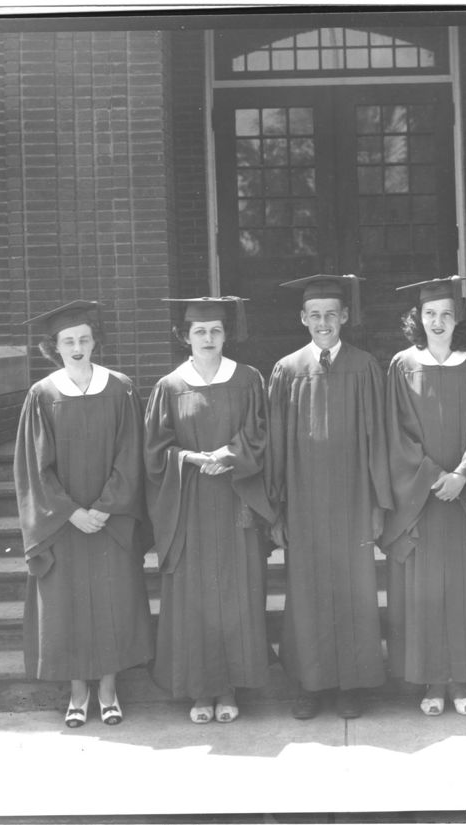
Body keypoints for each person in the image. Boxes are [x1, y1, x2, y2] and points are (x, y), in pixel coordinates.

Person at [14, 300, 153, 728]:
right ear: (53, 347)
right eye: (68, 341)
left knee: (112, 600)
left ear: (96, 342)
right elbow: (34, 469)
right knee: (67, 604)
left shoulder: (121, 388)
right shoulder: (43, 395)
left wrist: (106, 508)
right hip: (64, 525)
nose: (77, 347)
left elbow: (132, 455)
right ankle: (78, 693)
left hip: (111, 521)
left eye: (84, 339)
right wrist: (72, 513)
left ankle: (108, 691)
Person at [266, 274, 393, 720]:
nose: (324, 322)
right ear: (303, 318)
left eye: (331, 315)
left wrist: (379, 503)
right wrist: (277, 507)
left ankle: (352, 687)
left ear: (345, 318)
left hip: (355, 500)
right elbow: (276, 446)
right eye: (315, 315)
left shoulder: (365, 367)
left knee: (355, 590)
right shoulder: (286, 370)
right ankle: (310, 685)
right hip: (303, 503)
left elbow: (379, 439)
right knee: (306, 592)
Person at [381, 275, 466, 716]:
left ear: (459, 320)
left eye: (446, 315)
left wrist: (463, 474)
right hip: (421, 500)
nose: (437, 322)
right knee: (426, 591)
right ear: (417, 318)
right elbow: (395, 433)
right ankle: (433, 682)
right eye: (430, 314)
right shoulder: (402, 364)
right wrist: (434, 476)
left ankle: (461, 681)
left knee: (465, 589)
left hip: (465, 497)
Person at [144, 297, 275, 724]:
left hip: (236, 499)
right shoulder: (169, 387)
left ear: (226, 334)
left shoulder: (248, 379)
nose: (208, 338)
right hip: (190, 505)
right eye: (199, 331)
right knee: (196, 599)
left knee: (236, 596)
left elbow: (260, 434)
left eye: (216, 330)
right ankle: (201, 691)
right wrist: (190, 459)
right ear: (185, 336)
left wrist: (229, 454)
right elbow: (155, 452)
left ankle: (231, 688)